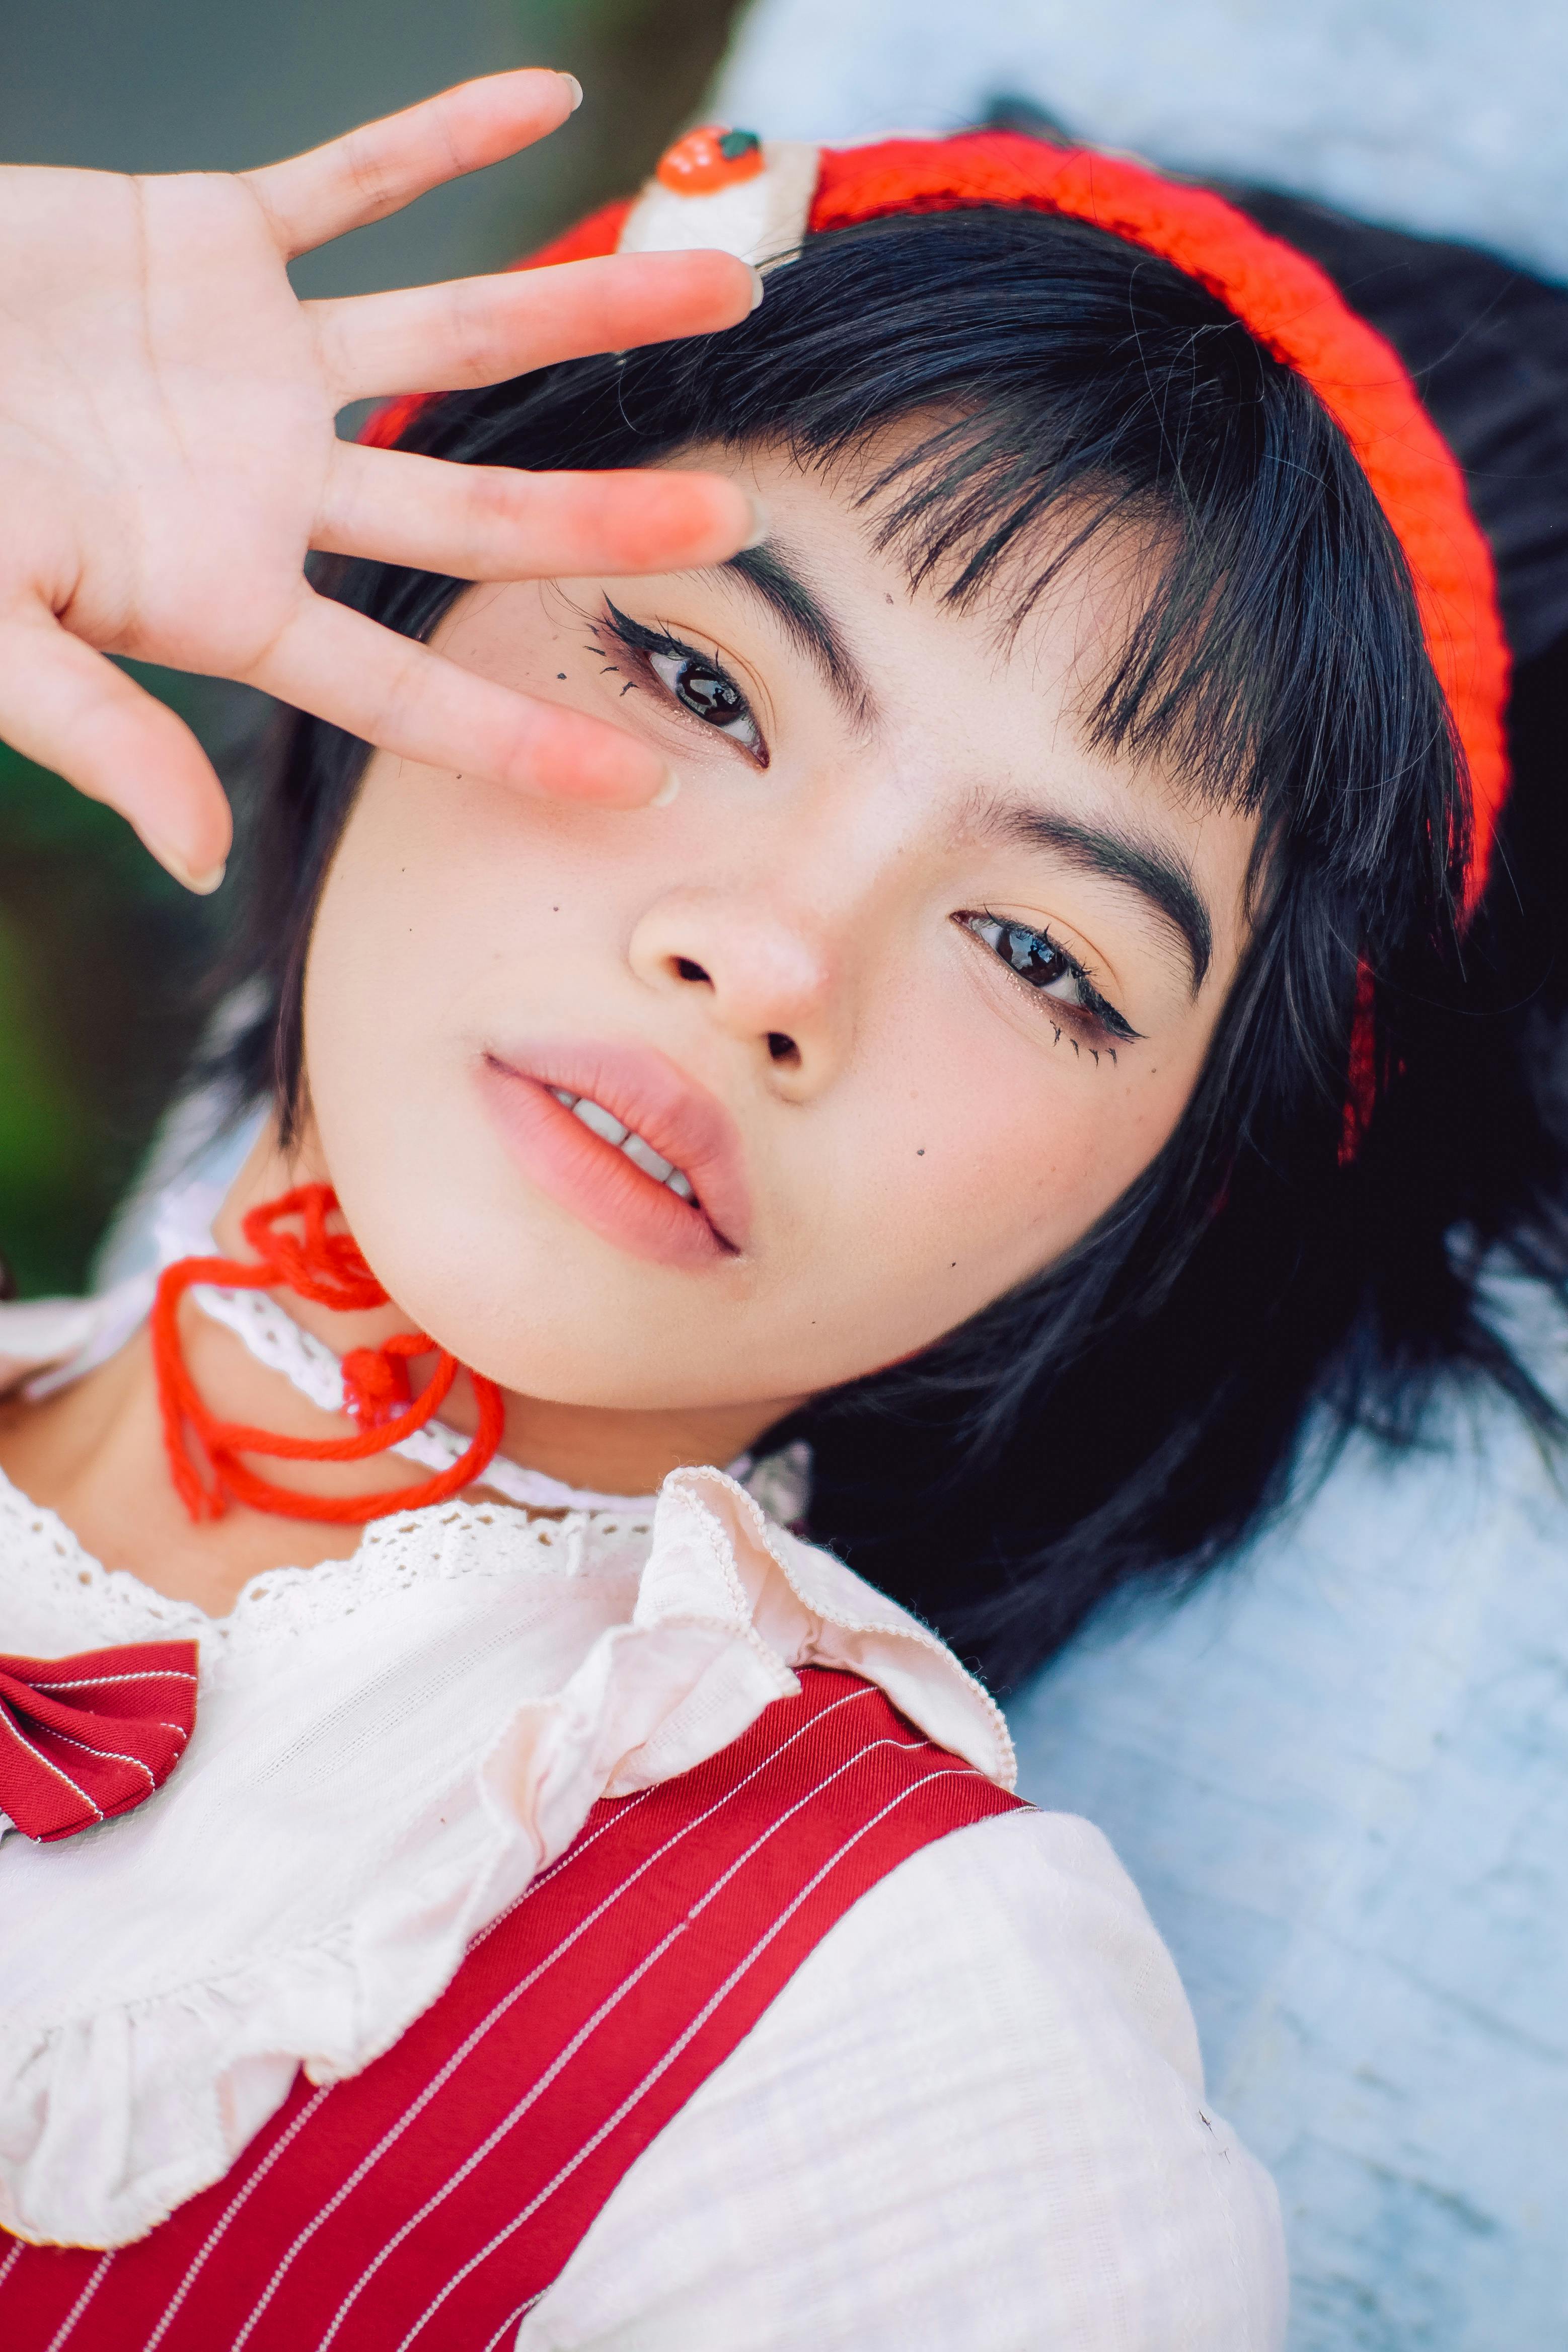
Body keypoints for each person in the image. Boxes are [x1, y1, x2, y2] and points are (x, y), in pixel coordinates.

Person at [0, 65, 1534, 2347]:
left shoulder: (935, 2109)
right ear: (408, 577)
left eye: (1040, 954)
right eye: (701, 673)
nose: (771, 958)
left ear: (1159, 1201)